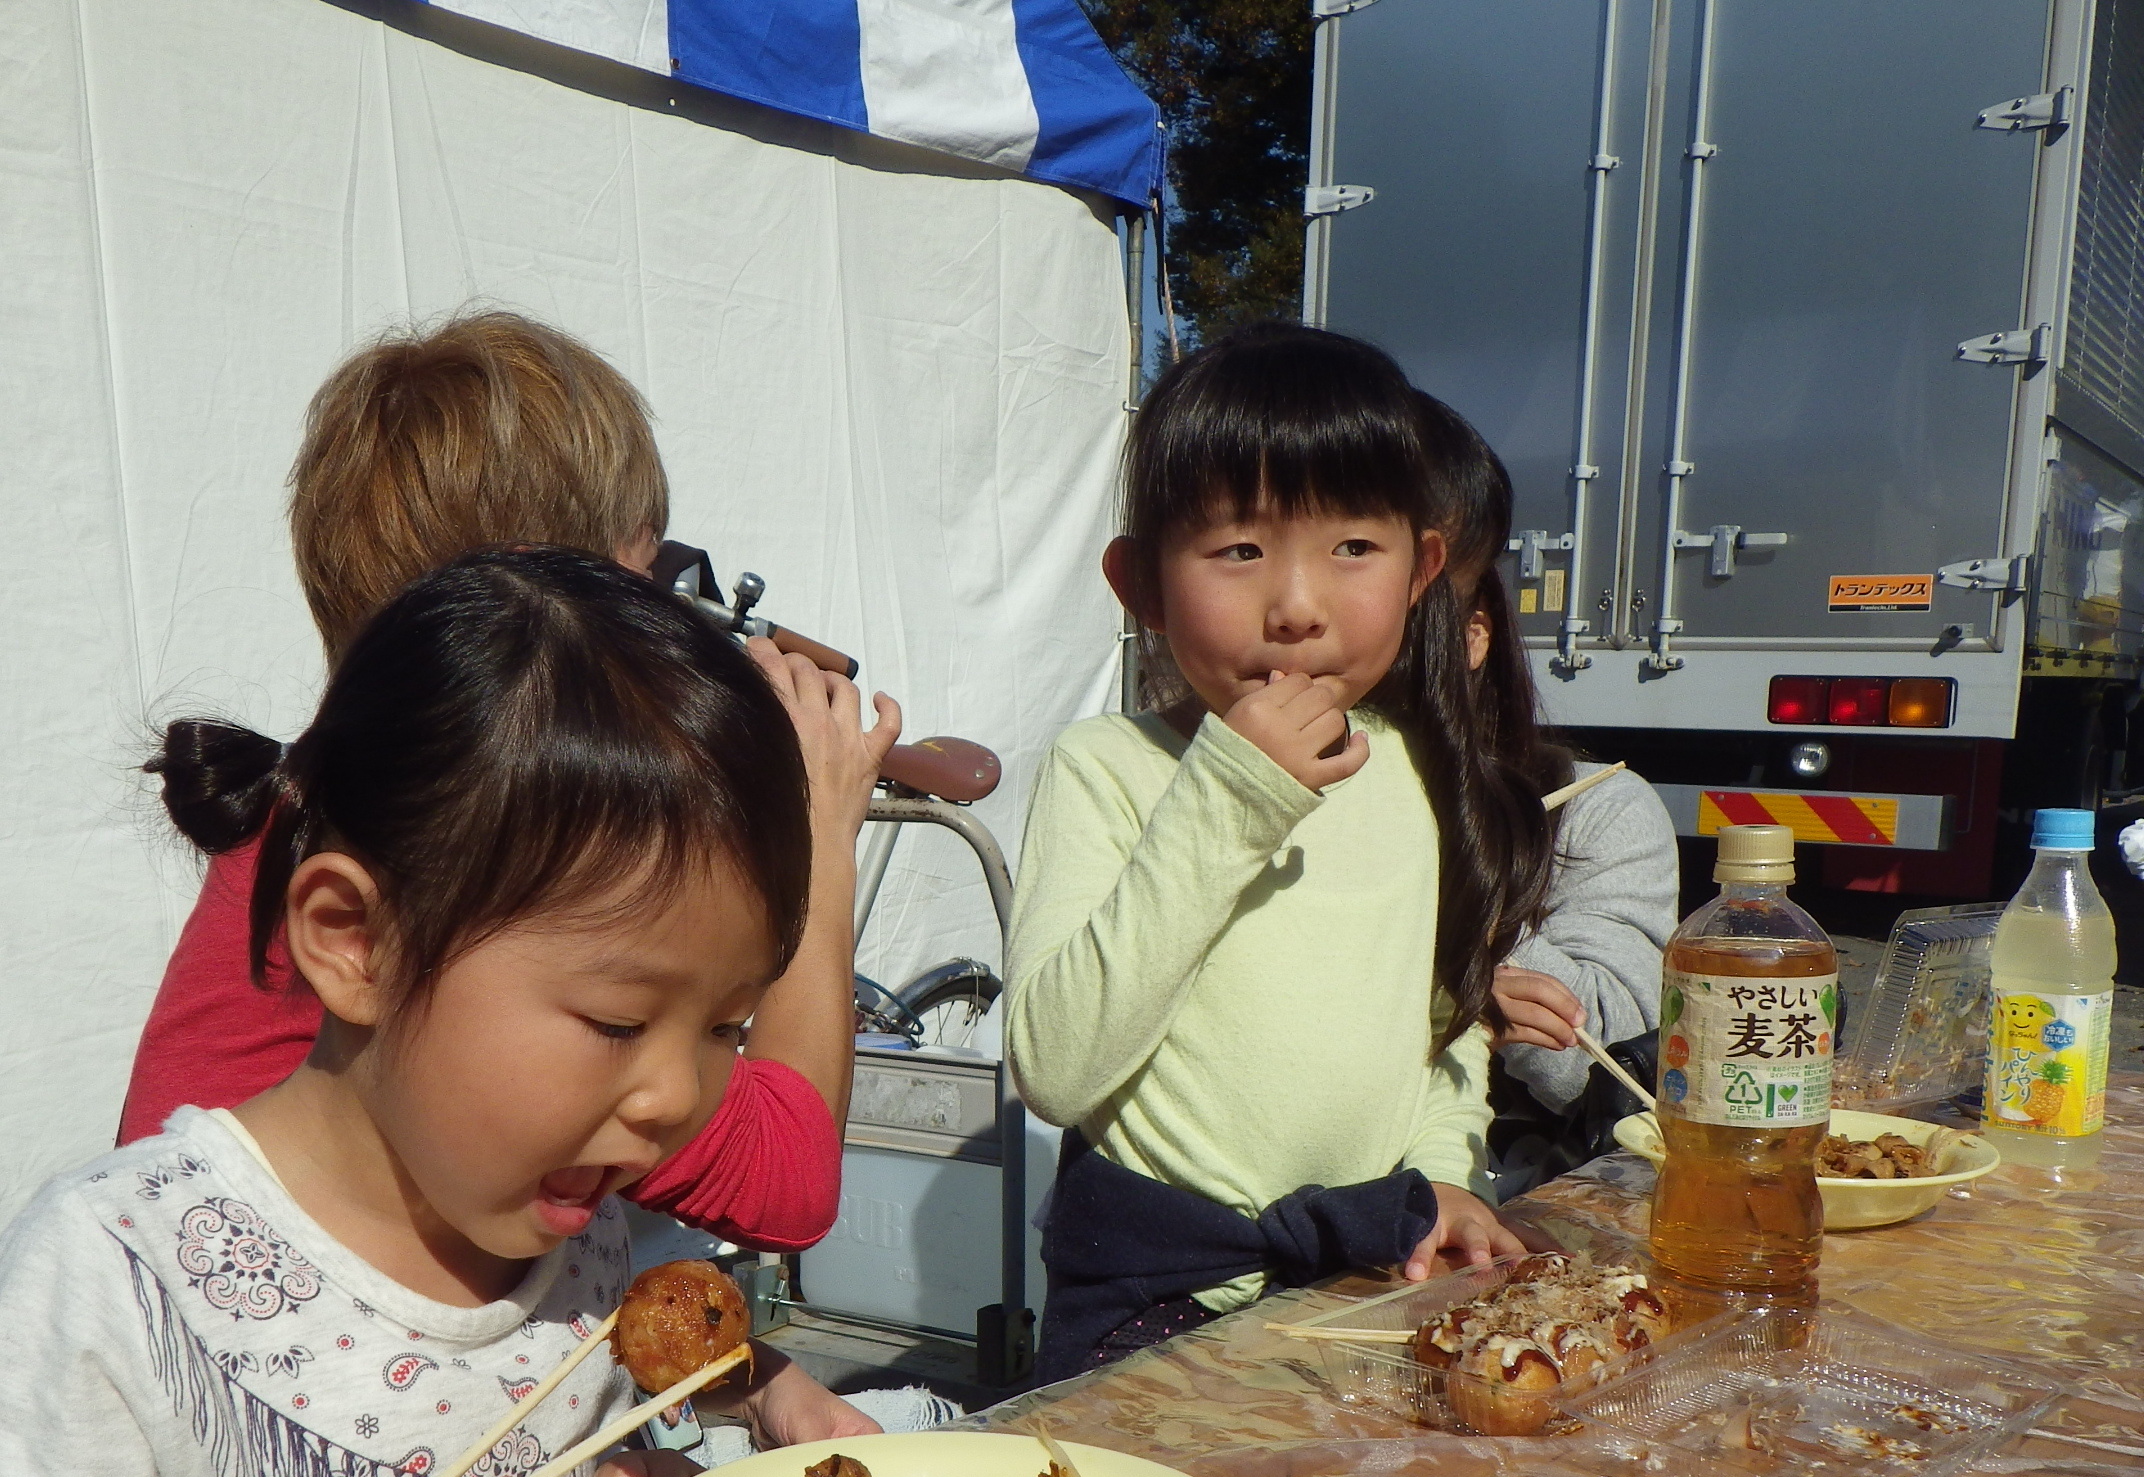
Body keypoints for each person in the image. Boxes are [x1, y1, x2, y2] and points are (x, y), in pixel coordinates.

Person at [0, 550, 862, 1477]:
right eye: (620, 1019)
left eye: (729, 1027)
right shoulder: (122, 1264)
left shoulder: (589, 1241)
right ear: (353, 938)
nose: (681, 1096)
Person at [118, 311, 896, 1258]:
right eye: (647, 582)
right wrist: (818, 826)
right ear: (558, 608)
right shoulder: (476, 859)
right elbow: (788, 1182)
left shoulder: (315, 808)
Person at [1008, 324, 1541, 1380]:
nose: (1296, 606)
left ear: (1423, 568)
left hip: (1368, 1281)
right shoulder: (1107, 767)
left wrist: (1441, 1175)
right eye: (1238, 551)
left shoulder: (1414, 775)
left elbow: (1442, 1030)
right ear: (1142, 586)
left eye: (1353, 548)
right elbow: (1056, 1069)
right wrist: (1231, 797)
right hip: (1155, 1302)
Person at [1416, 402, 1678, 1190]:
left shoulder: (1595, 806)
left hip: (1490, 1204)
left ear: (1474, 630)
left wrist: (1459, 928)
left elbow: (1599, 1057)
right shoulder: (1224, 790)